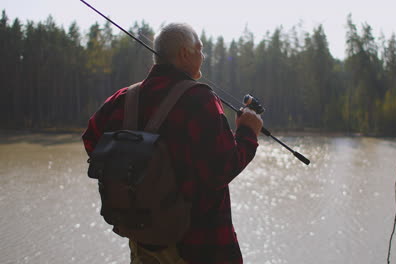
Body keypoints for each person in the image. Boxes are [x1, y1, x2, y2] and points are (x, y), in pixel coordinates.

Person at [82, 23, 263, 264]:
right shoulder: (200, 99)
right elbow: (222, 169)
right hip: (200, 248)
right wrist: (248, 132)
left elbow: (92, 143)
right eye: (200, 49)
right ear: (184, 54)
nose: (203, 56)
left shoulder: (123, 99)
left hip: (145, 242)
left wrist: (141, 178)